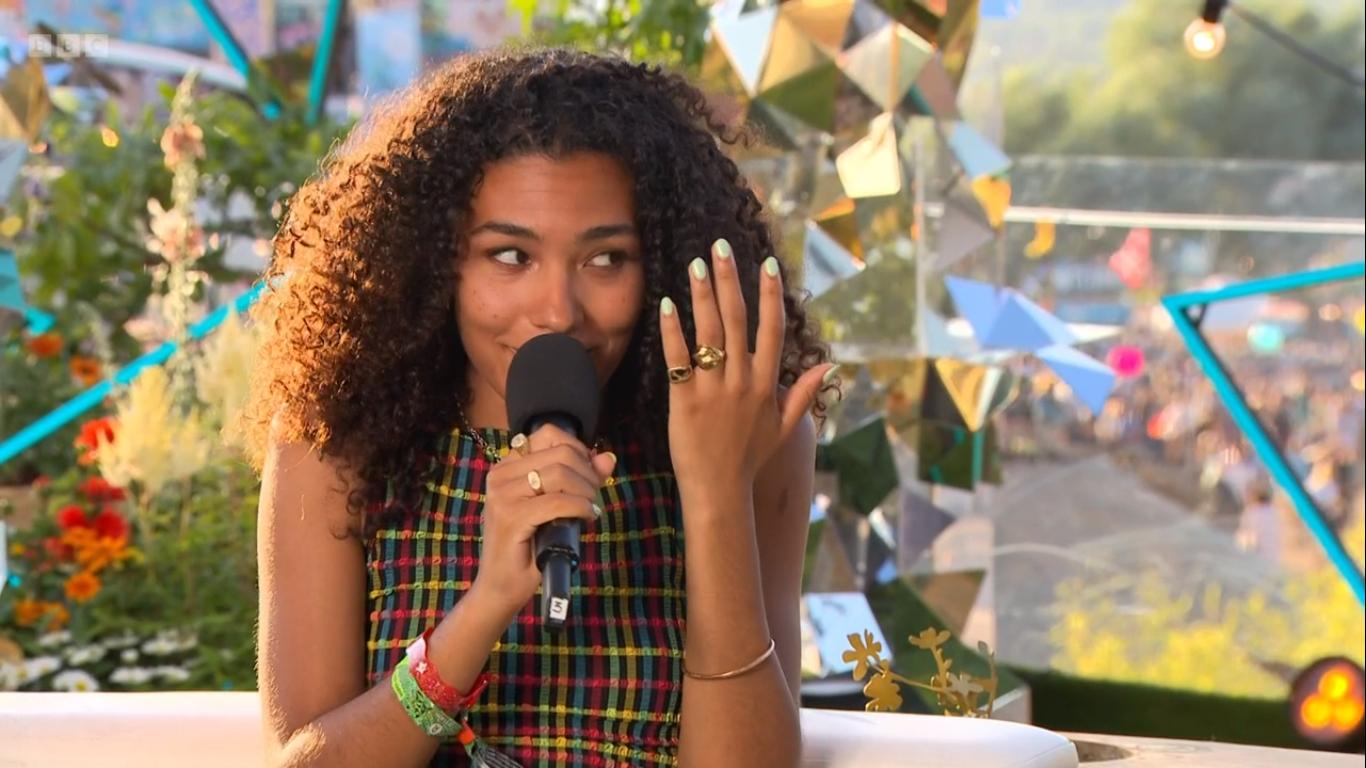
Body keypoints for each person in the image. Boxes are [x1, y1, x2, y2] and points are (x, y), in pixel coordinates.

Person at [240, 47, 838, 768]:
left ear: (660, 265)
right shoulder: (337, 438)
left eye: (606, 259)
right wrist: (485, 604)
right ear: (435, 261)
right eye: (510, 256)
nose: (557, 311)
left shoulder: (748, 436)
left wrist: (715, 494)